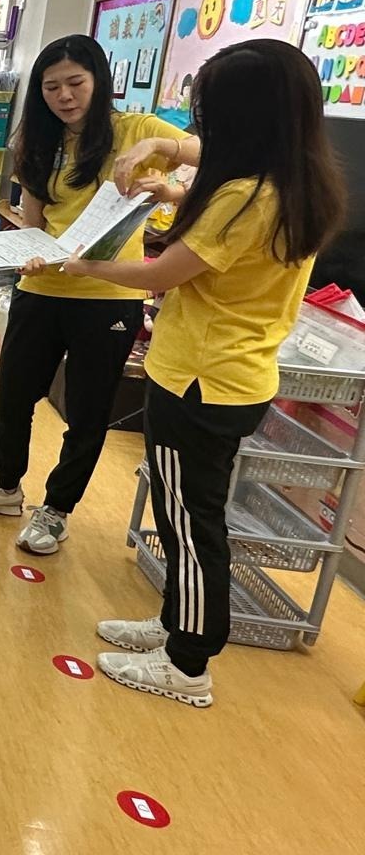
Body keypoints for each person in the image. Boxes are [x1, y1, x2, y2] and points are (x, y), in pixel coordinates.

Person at [63, 40, 344, 708]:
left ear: (243, 119)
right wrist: (166, 180)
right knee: (187, 513)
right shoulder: (292, 183)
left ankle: (188, 662)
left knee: (190, 524)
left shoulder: (245, 196)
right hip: (232, 373)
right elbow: (220, 243)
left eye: (208, 114)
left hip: (199, 378)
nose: (200, 127)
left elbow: (163, 273)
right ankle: (174, 624)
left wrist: (83, 263)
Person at [0, 35, 200, 555]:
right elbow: (35, 221)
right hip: (42, 286)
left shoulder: (135, 130)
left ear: (98, 81)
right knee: (13, 396)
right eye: (51, 87)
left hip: (107, 296)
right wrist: (28, 251)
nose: (64, 96)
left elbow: (214, 156)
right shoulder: (37, 142)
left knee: (87, 412)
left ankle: (57, 510)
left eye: (75, 83)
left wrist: (159, 150)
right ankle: (5, 487)